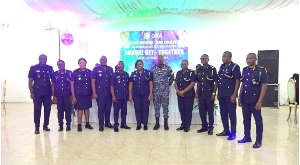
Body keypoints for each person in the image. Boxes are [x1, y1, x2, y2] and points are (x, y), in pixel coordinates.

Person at [238, 53, 267, 148]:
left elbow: (263, 86)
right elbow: (243, 84)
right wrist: (239, 96)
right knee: (246, 120)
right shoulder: (245, 69)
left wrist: (260, 101)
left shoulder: (261, 70)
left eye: (250, 58)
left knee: (258, 120)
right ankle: (247, 137)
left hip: (255, 100)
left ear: (255, 59)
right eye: (247, 58)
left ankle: (259, 140)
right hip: (245, 99)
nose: (248, 60)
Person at [216, 51, 241, 140]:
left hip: (230, 94)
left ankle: (233, 133)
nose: (223, 58)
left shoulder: (234, 67)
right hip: (222, 94)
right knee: (223, 113)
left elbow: (237, 81)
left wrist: (234, 94)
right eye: (222, 56)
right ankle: (225, 130)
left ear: (230, 57)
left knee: (232, 114)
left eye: (225, 56)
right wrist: (218, 93)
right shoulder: (222, 67)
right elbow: (220, 81)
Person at [28, 54, 54, 134]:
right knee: (37, 110)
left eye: (45, 59)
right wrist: (31, 92)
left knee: (47, 110)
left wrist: (53, 94)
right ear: (39, 59)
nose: (43, 60)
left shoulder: (50, 68)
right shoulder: (33, 68)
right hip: (37, 93)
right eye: (42, 58)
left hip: (47, 93)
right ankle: (37, 127)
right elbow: (30, 81)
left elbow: (53, 81)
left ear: (46, 59)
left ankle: (45, 125)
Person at [196, 54, 218, 135]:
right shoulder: (199, 69)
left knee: (210, 112)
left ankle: (210, 128)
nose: (203, 60)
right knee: (202, 112)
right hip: (201, 94)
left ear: (208, 59)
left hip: (209, 94)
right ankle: (204, 126)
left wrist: (213, 93)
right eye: (201, 58)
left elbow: (216, 82)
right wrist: (197, 92)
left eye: (204, 58)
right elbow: (198, 82)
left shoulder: (212, 69)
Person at [150, 55, 174, 130]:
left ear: (163, 60)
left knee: (165, 107)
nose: (160, 60)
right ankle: (157, 124)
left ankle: (165, 124)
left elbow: (172, 77)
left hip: (165, 92)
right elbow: (150, 80)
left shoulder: (168, 68)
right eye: (159, 59)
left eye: (161, 59)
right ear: (157, 60)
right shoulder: (153, 69)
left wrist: (167, 85)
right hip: (156, 91)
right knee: (156, 107)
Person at [129, 60, 153, 130]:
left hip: (145, 94)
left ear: (143, 65)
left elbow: (151, 84)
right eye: (138, 64)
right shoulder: (133, 74)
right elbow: (130, 84)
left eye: (141, 64)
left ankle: (145, 124)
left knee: (145, 109)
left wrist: (150, 94)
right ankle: (138, 124)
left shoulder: (147, 73)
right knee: (137, 109)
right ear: (136, 66)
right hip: (136, 94)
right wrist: (130, 95)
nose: (139, 65)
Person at [91, 56, 114, 132]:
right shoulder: (96, 69)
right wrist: (94, 92)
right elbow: (93, 81)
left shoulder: (110, 69)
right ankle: (101, 125)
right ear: (100, 61)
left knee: (108, 109)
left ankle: (107, 123)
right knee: (101, 109)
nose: (104, 61)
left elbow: (112, 82)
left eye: (105, 59)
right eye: (102, 59)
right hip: (100, 93)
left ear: (106, 60)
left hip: (109, 93)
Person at [70, 58, 93, 132]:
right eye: (80, 62)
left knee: (87, 109)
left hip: (87, 93)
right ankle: (79, 125)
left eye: (83, 62)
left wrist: (92, 93)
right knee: (79, 110)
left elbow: (92, 83)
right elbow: (72, 84)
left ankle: (87, 123)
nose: (82, 63)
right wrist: (73, 96)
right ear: (78, 64)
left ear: (86, 63)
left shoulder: (89, 72)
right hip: (79, 94)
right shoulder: (75, 72)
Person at [174, 60, 196, 132]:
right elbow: (175, 83)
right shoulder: (178, 73)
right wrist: (178, 91)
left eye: (185, 64)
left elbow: (192, 84)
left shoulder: (191, 73)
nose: (183, 65)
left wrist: (183, 91)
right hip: (180, 95)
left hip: (188, 95)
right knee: (181, 110)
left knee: (188, 110)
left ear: (187, 64)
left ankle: (187, 126)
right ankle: (183, 124)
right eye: (182, 64)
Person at [51, 60, 73, 131]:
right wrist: (53, 95)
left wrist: (72, 95)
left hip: (67, 95)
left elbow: (72, 84)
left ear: (64, 64)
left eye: (62, 64)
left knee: (68, 110)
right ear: (57, 66)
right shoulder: (54, 74)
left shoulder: (69, 73)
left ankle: (68, 125)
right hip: (58, 95)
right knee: (60, 110)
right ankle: (60, 125)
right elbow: (53, 85)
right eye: (59, 65)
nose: (61, 66)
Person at [110, 61, 131, 132]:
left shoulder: (126, 74)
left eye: (122, 64)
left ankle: (123, 124)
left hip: (124, 96)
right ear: (117, 66)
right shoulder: (114, 75)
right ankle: (116, 125)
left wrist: (128, 95)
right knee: (116, 111)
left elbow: (128, 85)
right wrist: (113, 96)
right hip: (117, 96)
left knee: (124, 111)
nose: (121, 66)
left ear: (124, 66)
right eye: (120, 64)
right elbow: (111, 86)